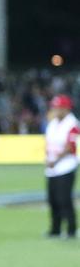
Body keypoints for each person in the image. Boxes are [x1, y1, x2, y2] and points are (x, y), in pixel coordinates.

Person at [44, 94, 79, 238]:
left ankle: (71, 229)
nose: (55, 110)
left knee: (64, 199)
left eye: (58, 107)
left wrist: (56, 160)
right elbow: (48, 143)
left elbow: (71, 147)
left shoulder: (72, 124)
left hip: (66, 166)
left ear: (65, 109)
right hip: (51, 167)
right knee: (52, 199)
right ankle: (55, 229)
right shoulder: (52, 123)